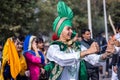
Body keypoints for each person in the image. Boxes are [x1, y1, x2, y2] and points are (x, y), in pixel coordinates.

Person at [43, 1, 114, 80]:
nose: (71, 31)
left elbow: (93, 59)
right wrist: (87, 51)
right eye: (68, 29)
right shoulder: (54, 48)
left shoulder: (77, 46)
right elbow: (62, 59)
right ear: (60, 31)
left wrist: (106, 55)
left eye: (71, 28)